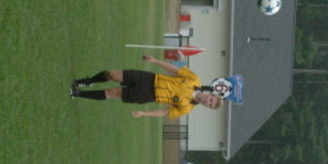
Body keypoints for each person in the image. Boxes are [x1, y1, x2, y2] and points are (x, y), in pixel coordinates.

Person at [70, 55, 224, 119]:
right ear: (211, 94)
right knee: (111, 74)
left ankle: (77, 93)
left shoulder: (186, 108)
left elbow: (164, 112)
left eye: (210, 105)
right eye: (211, 100)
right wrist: (155, 61)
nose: (208, 102)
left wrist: (144, 113)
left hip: (148, 95)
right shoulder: (195, 79)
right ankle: (88, 81)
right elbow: (174, 70)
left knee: (113, 93)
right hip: (149, 78)